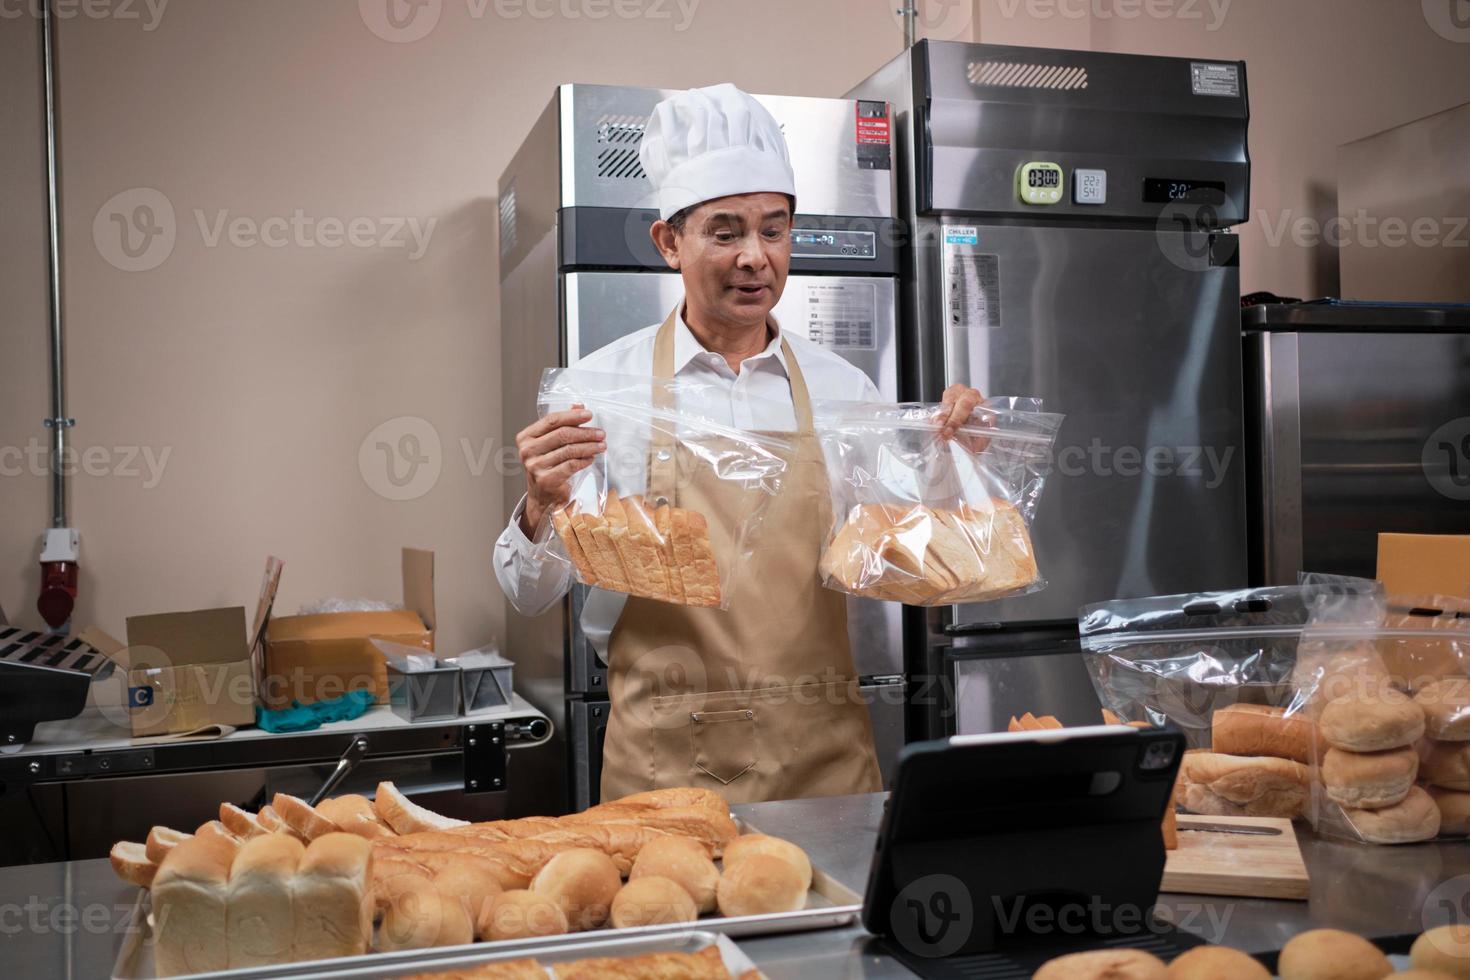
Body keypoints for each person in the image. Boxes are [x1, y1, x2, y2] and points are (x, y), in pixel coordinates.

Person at [495, 83, 983, 804]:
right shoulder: (600, 389)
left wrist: (954, 464)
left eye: (774, 229)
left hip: (823, 762)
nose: (756, 257)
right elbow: (528, 595)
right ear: (669, 242)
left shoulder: (843, 387)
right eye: (725, 232)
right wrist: (539, 505)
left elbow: (912, 567)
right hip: (666, 769)